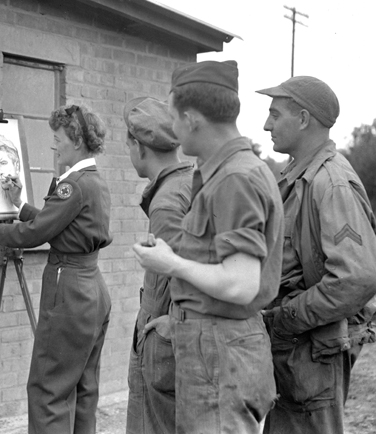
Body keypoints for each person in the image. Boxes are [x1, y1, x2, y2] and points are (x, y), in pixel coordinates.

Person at [132, 60, 284, 434]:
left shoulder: (235, 177)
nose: (172, 128)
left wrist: (171, 264)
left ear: (192, 119)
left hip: (221, 352)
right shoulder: (222, 171)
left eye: (173, 117)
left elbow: (240, 284)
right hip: (214, 347)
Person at [0, 104, 112, 434]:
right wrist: (22, 206)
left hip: (69, 291)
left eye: (58, 138)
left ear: (77, 140)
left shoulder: (73, 184)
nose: (54, 145)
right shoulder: (91, 181)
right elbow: (61, 225)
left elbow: (38, 233)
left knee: (48, 391)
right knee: (82, 389)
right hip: (91, 287)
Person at [257, 76, 376, 434]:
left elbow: (357, 277)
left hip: (311, 357)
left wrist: (284, 319)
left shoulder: (331, 183)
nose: (267, 125)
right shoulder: (298, 176)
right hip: (294, 354)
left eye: (275, 115)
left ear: (304, 119)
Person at [122, 97, 193, 434]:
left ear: (139, 146)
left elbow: (184, 274)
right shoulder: (189, 183)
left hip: (164, 342)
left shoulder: (166, 201)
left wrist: (172, 324)